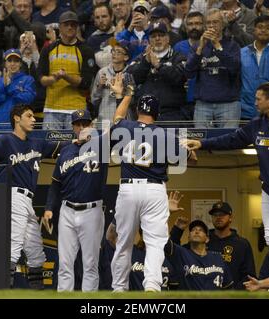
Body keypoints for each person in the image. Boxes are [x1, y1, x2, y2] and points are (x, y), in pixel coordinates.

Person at [183, 81, 269, 292]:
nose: (254, 102)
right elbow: (233, 139)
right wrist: (203, 144)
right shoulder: (257, 124)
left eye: (258, 99)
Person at [0, 104, 66, 289]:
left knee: (36, 251)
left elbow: (63, 149)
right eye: (29, 115)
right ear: (17, 118)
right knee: (14, 245)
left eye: (34, 116)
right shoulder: (6, 140)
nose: (34, 119)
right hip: (13, 195)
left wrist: (81, 142)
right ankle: (2, 290)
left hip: (28, 199)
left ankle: (37, 292)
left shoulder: (37, 143)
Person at [109, 74, 192, 292]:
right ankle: (153, 287)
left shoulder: (126, 127)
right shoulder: (165, 134)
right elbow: (186, 158)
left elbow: (117, 117)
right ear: (157, 113)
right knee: (155, 242)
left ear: (138, 111)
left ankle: (119, 289)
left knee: (124, 242)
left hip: (128, 188)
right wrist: (188, 150)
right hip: (154, 189)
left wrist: (125, 95)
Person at [44, 110, 108, 292]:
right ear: (72, 127)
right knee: (65, 263)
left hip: (92, 211)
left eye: (85, 123)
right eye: (78, 124)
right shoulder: (66, 151)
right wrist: (49, 207)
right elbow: (55, 184)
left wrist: (121, 96)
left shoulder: (100, 146)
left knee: (90, 264)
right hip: (67, 211)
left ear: (91, 125)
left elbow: (114, 128)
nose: (81, 127)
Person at [170, 201, 256, 289]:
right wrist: (177, 230)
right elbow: (174, 251)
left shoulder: (242, 244)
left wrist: (233, 294)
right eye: (215, 215)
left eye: (222, 214)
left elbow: (249, 276)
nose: (218, 217)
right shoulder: (202, 240)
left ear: (230, 218)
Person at [38, 11, 96, 130]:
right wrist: (54, 78)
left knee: (77, 145)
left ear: (77, 27)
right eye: (66, 24)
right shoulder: (48, 49)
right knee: (50, 147)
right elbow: (41, 79)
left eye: (73, 25)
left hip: (77, 108)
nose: (70, 27)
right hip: (52, 108)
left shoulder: (86, 50)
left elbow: (86, 83)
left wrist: (66, 76)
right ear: (60, 27)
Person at [184, 8, 241, 129]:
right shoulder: (197, 46)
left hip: (228, 104)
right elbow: (188, 73)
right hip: (203, 104)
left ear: (223, 24)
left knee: (229, 143)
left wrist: (218, 47)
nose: (211, 25)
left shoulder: (232, 45)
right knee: (201, 144)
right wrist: (199, 49)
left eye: (215, 22)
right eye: (208, 23)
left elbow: (234, 68)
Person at [126, 22, 188, 124]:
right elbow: (131, 78)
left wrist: (159, 66)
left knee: (176, 140)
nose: (157, 39)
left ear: (168, 38)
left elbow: (180, 77)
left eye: (161, 35)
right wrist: (146, 63)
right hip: (145, 115)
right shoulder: (142, 58)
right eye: (153, 36)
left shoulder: (178, 57)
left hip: (173, 114)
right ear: (149, 40)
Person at [166, 219, 233, 290]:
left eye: (201, 230)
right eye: (193, 230)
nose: (197, 231)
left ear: (207, 239)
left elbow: (228, 287)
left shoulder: (218, 258)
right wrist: (177, 229)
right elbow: (165, 243)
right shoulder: (182, 254)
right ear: (189, 238)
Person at [0, 48, 36, 129]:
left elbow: (28, 99)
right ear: (5, 64)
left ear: (20, 64)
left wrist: (10, 88)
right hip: (2, 124)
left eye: (16, 61)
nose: (12, 64)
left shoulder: (28, 79)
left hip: (21, 125)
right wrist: (3, 86)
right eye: (9, 61)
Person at [91, 41, 135, 123]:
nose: (114, 54)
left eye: (118, 52)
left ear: (126, 57)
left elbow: (132, 101)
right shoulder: (102, 72)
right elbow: (94, 99)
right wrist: (99, 86)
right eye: (113, 50)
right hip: (104, 119)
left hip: (123, 119)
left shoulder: (130, 74)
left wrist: (122, 91)